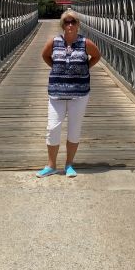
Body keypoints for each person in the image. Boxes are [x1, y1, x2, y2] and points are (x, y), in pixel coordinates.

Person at [37, 10, 101, 178]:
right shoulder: (54, 41)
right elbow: (45, 56)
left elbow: (96, 56)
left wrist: (84, 68)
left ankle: (69, 165)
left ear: (78, 24)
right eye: (67, 22)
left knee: (74, 129)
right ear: (62, 25)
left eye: (73, 22)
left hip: (79, 94)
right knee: (52, 128)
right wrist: (57, 69)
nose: (70, 25)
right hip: (56, 93)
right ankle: (51, 165)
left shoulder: (85, 42)